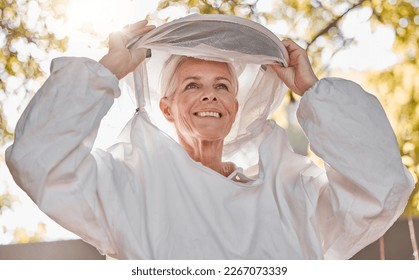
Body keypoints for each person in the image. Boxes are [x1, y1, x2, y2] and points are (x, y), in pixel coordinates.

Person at [5, 16, 414, 260]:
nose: (209, 95)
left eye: (222, 85)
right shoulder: (129, 188)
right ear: (166, 108)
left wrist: (313, 91)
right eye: (192, 86)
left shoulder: (291, 193)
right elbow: (40, 159)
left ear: (235, 107)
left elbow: (380, 188)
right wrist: (110, 67)